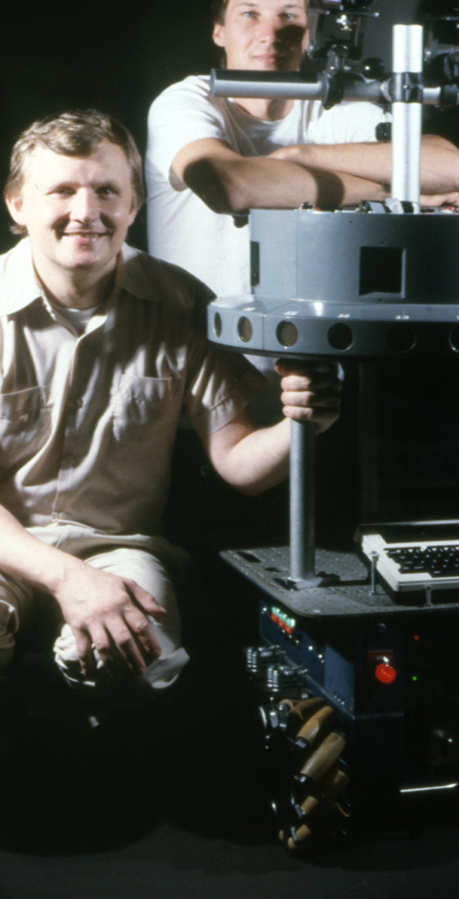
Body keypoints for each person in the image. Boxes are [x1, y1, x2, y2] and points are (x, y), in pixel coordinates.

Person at [0, 110, 339, 722]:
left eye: (107, 191)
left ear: (133, 206)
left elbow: (238, 463)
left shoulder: (181, 302)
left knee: (133, 663)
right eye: (62, 190)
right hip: (7, 548)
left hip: (119, 551)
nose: (87, 211)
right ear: (18, 203)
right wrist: (68, 581)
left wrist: (303, 424)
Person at [145, 0, 459, 300]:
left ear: (309, 34)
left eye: (288, 16)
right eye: (250, 14)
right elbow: (233, 188)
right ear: (219, 31)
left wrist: (298, 155)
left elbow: (453, 168)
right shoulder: (185, 101)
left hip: (300, 343)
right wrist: (398, 193)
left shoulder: (332, 104)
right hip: (196, 340)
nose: (270, 34)